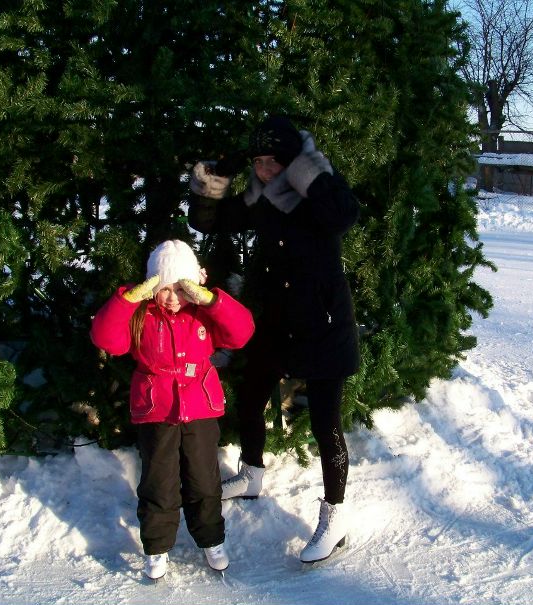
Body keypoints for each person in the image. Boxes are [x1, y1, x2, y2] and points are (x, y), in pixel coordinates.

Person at [187, 115, 361, 563]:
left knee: (326, 423)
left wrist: (307, 173)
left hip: (322, 321)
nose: (264, 170)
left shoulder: (316, 191)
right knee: (250, 392)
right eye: (258, 162)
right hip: (276, 318)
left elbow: (344, 215)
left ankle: (336, 515)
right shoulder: (262, 197)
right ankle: (252, 472)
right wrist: (212, 184)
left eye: (273, 162)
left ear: (292, 163)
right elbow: (211, 222)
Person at [90, 240, 254, 580]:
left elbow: (241, 333)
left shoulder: (202, 313)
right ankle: (157, 545)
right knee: (158, 482)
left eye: (181, 289)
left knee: (204, 480)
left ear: (193, 287)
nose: (172, 296)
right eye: (165, 288)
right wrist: (129, 299)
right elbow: (107, 339)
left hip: (200, 409)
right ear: (153, 287)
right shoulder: (141, 315)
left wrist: (210, 299)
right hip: (157, 410)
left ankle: (211, 539)